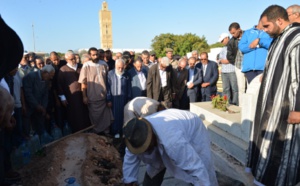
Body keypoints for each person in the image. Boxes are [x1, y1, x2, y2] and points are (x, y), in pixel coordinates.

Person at [246, 5, 300, 186]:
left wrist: (298, 109)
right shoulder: (278, 38)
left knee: (281, 151)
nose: (265, 31)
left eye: (267, 26)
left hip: (287, 109)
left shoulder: (296, 38)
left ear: (279, 20)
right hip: (271, 105)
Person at [122, 109, 218, 186]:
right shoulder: (134, 137)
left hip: (193, 128)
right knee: (154, 169)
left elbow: (196, 168)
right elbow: (130, 160)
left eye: (147, 146)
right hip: (171, 123)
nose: (145, 150)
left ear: (151, 137)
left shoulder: (173, 142)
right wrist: (129, 181)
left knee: (201, 168)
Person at [78, 47, 113, 134]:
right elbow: (83, 82)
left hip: (104, 96)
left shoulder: (104, 64)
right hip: (92, 96)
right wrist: (84, 96)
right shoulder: (86, 66)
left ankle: (106, 133)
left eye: (97, 54)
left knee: (105, 117)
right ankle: (96, 134)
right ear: (90, 55)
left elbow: (108, 81)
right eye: (93, 55)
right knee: (95, 117)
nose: (96, 56)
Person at [57, 51, 90, 133]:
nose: (73, 61)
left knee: (84, 114)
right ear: (66, 59)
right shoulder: (63, 70)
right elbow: (59, 85)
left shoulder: (81, 67)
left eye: (74, 58)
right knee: (74, 115)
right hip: (71, 97)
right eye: (71, 59)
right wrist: (62, 98)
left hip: (83, 95)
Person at [22, 65, 55, 135]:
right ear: (45, 72)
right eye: (51, 75)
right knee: (28, 128)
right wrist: (36, 105)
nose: (51, 78)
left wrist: (43, 107)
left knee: (40, 127)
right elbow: (28, 93)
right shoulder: (31, 76)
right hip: (29, 106)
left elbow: (45, 95)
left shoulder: (46, 80)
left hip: (40, 107)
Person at [107, 59, 131, 138]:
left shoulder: (126, 74)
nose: (120, 69)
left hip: (123, 99)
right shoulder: (110, 74)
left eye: (122, 68)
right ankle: (115, 132)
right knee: (115, 116)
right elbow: (107, 88)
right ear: (115, 66)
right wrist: (109, 99)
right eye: (119, 68)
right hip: (114, 99)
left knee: (123, 115)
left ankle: (123, 131)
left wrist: (129, 98)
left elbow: (129, 88)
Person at [218, 33, 239, 105]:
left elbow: (230, 59)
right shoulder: (223, 49)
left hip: (232, 70)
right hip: (224, 71)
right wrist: (223, 61)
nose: (222, 42)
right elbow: (219, 60)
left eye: (222, 40)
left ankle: (235, 103)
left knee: (234, 89)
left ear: (227, 38)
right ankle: (226, 103)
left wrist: (225, 61)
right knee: (225, 89)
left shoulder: (234, 46)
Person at [228, 22, 245, 106]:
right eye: (231, 34)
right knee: (241, 88)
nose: (233, 35)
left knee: (250, 88)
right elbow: (229, 55)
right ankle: (241, 107)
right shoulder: (232, 41)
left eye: (234, 33)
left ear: (239, 29)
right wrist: (235, 62)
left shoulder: (248, 36)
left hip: (248, 66)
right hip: (238, 66)